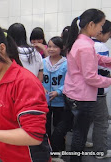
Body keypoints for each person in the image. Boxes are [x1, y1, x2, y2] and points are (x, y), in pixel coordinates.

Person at [0, 20, 51, 162]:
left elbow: (33, 135)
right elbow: (4, 120)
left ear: (1, 49)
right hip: (2, 154)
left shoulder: (25, 82)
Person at [51, 9, 111, 162]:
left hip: (71, 93)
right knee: (79, 134)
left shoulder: (78, 41)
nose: (101, 29)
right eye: (101, 25)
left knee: (67, 126)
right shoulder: (84, 46)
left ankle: (54, 151)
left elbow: (93, 58)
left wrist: (107, 61)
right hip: (82, 98)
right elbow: (91, 78)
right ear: (91, 24)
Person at [85, 19, 111, 159]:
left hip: (84, 91)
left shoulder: (84, 43)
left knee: (86, 119)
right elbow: (102, 70)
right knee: (101, 121)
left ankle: (84, 142)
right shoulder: (100, 46)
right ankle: (100, 151)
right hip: (98, 90)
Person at [42, 36, 67, 144]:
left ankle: (58, 150)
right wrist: (42, 88)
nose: (51, 49)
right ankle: (47, 149)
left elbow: (69, 83)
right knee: (45, 126)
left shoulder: (66, 64)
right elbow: (38, 79)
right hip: (45, 101)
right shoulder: (43, 62)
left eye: (55, 47)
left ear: (61, 48)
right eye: (50, 46)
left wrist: (58, 92)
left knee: (59, 127)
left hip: (60, 102)